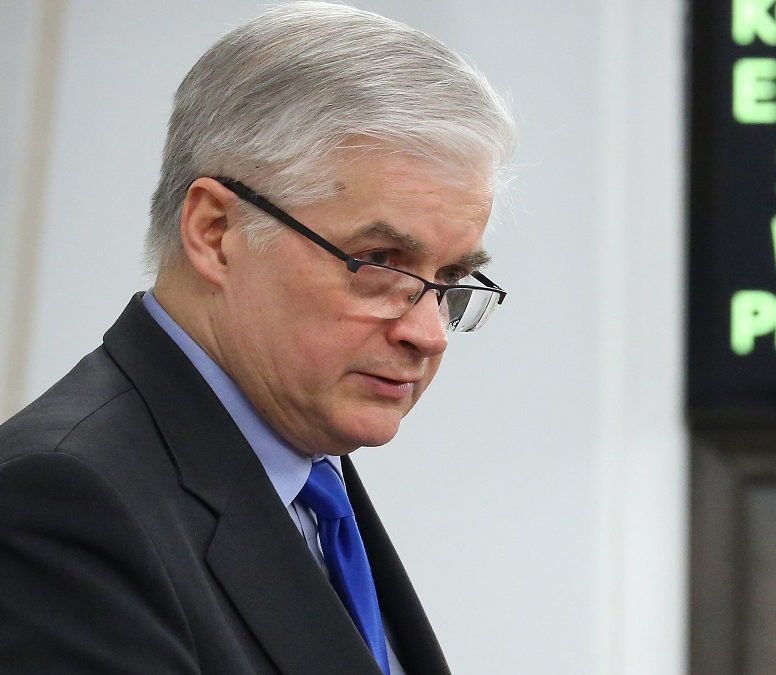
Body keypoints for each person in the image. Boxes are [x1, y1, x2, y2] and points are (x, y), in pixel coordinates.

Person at [0, 2, 515, 673]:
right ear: (216, 232)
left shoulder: (308, 478)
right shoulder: (62, 504)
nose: (429, 333)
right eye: (380, 262)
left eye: (449, 278)